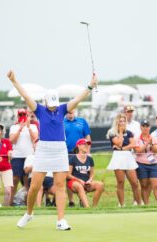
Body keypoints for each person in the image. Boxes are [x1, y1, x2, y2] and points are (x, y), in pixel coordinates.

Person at [8, 70, 97, 231]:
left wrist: (90, 86)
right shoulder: (40, 109)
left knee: (60, 185)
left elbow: (78, 98)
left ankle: (60, 220)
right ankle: (28, 214)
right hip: (43, 149)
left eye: (54, 103)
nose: (53, 106)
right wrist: (14, 81)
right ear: (46, 101)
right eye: (51, 103)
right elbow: (26, 96)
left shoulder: (63, 108)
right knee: (34, 186)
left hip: (60, 150)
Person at [106, 113, 141, 207]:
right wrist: (120, 132)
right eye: (120, 121)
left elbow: (133, 144)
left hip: (128, 157)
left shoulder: (129, 133)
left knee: (135, 182)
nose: (122, 123)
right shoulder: (112, 132)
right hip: (118, 158)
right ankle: (122, 204)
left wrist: (122, 148)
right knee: (120, 182)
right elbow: (119, 143)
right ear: (117, 122)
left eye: (124, 121)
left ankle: (139, 203)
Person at [9, 108, 38, 205]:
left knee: (27, 182)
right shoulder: (14, 127)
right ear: (17, 117)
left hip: (29, 156)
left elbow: (35, 139)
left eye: (24, 115)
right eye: (20, 115)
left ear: (27, 116)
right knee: (14, 180)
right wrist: (20, 128)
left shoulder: (33, 126)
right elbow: (12, 140)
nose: (22, 117)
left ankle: (27, 203)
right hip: (17, 156)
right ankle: (11, 203)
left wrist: (28, 127)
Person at [64, 109, 91, 207]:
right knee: (68, 176)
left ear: (74, 111)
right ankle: (71, 201)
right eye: (68, 112)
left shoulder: (82, 121)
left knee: (83, 174)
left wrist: (88, 152)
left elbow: (87, 136)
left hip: (81, 152)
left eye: (71, 112)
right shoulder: (62, 122)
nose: (70, 114)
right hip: (67, 153)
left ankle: (81, 199)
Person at [67, 138, 104, 208]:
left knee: (100, 185)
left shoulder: (90, 159)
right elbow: (68, 175)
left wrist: (90, 180)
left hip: (86, 182)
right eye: (84, 144)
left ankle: (94, 207)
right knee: (79, 186)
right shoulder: (72, 158)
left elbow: (92, 173)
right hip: (74, 182)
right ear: (78, 146)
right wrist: (79, 180)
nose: (87, 146)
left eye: (88, 145)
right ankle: (87, 208)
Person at [134, 120, 157, 205]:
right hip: (141, 164)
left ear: (150, 127)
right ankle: (146, 205)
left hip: (153, 164)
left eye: (147, 126)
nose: (145, 128)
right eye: (143, 126)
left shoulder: (154, 138)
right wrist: (147, 143)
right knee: (144, 186)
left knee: (156, 186)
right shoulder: (136, 138)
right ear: (140, 127)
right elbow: (138, 151)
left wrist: (151, 145)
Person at [24, 139, 56, 207]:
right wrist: (37, 165)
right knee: (39, 187)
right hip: (34, 177)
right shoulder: (30, 157)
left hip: (48, 178)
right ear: (33, 146)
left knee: (57, 190)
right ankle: (39, 207)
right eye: (37, 144)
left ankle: (55, 205)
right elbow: (26, 170)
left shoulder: (50, 157)